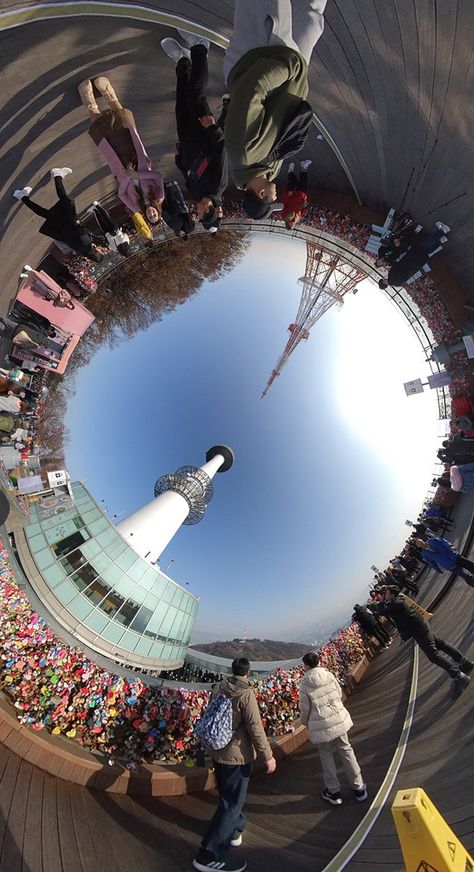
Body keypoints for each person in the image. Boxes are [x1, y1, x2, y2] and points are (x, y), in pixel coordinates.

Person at [223, 0, 328, 218]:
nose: (277, 196)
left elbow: (251, 90)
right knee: (312, 22)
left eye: (273, 200)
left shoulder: (243, 152)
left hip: (260, 56)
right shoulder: (268, 170)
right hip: (287, 67)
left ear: (261, 193)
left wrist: (290, 67)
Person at [193, 657, 276, 872]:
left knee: (228, 798)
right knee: (231, 802)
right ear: (248, 673)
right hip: (236, 757)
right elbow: (255, 728)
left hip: (217, 752)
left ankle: (236, 828)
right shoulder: (245, 694)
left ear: (232, 670)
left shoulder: (219, 687)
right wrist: (268, 756)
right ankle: (209, 854)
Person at [160, 31, 229, 232]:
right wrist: (213, 128)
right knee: (196, 93)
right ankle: (200, 48)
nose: (195, 213)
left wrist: (179, 159)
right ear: (208, 209)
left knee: (181, 102)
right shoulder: (218, 186)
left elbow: (188, 174)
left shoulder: (198, 194)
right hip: (203, 130)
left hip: (187, 139)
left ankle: (183, 61)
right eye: (199, 214)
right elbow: (222, 150)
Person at [78, 77, 164, 227]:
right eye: (155, 214)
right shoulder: (159, 196)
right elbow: (158, 176)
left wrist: (126, 180)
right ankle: (108, 92)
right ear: (157, 211)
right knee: (124, 124)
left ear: (146, 216)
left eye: (150, 216)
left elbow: (121, 194)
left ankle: (89, 100)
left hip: (121, 168)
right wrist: (138, 175)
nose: (151, 213)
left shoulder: (136, 207)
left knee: (104, 132)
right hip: (138, 160)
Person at [299, 651, 367, 806]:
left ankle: (334, 792)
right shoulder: (328, 675)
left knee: (326, 755)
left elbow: (305, 708)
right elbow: (338, 693)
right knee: (346, 750)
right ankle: (359, 788)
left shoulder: (304, 683)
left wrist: (305, 722)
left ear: (307, 665)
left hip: (321, 725)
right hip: (338, 719)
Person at [380, 586, 472, 698]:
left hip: (419, 631)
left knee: (433, 656)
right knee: (440, 644)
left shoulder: (395, 604)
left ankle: (459, 677)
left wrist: (376, 603)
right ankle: (464, 663)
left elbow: (383, 610)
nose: (385, 595)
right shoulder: (397, 601)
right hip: (421, 627)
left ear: (392, 595)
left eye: (386, 593)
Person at [12, 169, 103, 262]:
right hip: (61, 229)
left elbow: (80, 231)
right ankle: (22, 197)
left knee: (65, 200)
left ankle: (57, 176)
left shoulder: (87, 244)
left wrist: (78, 222)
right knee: (44, 213)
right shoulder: (82, 252)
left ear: (97, 252)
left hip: (69, 222)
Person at [279, 159, 312, 228]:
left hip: (291, 195)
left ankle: (290, 170)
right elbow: (302, 210)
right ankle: (304, 166)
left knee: (293, 181)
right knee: (303, 181)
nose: (292, 224)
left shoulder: (283, 214)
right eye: (293, 225)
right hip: (301, 197)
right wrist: (305, 205)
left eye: (290, 225)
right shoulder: (297, 218)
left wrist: (288, 195)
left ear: (287, 223)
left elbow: (284, 203)